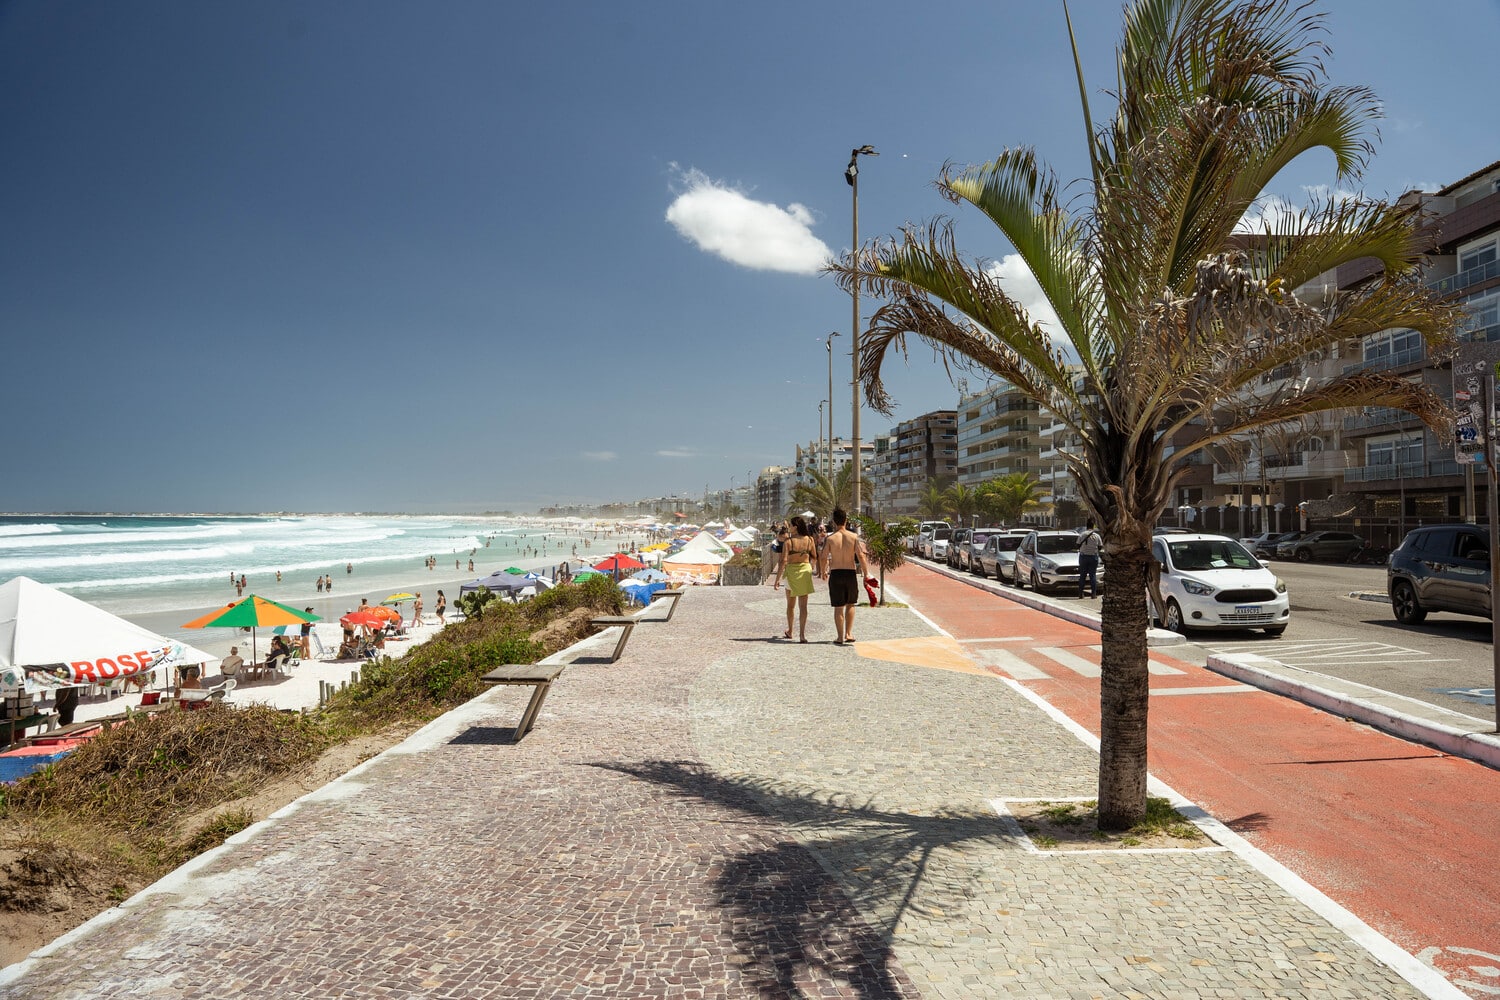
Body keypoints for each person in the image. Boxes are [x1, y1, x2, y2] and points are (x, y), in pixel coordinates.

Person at [820, 507, 869, 645]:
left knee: (838, 606)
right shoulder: (853, 537)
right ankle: (849, 633)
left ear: (834, 522)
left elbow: (823, 557)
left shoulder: (830, 538)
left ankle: (840, 636)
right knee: (851, 604)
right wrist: (866, 574)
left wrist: (823, 571)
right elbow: (861, 556)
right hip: (850, 572)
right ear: (846, 520)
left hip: (836, 573)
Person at [772, 516, 817, 642]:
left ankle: (791, 630)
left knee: (790, 605)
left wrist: (777, 579)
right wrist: (811, 567)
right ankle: (802, 635)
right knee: (803, 606)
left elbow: (783, 561)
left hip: (791, 572)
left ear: (795, 527)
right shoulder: (810, 540)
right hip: (805, 571)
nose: (789, 528)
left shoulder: (789, 542)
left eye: (790, 526)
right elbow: (814, 556)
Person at [1078, 518, 1103, 599]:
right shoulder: (1096, 536)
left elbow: (1077, 544)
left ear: (1086, 526)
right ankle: (1093, 594)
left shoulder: (1082, 534)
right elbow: (1100, 546)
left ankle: (1081, 593)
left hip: (1084, 556)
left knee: (1083, 575)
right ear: (1093, 526)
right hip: (1093, 557)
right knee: (1092, 575)